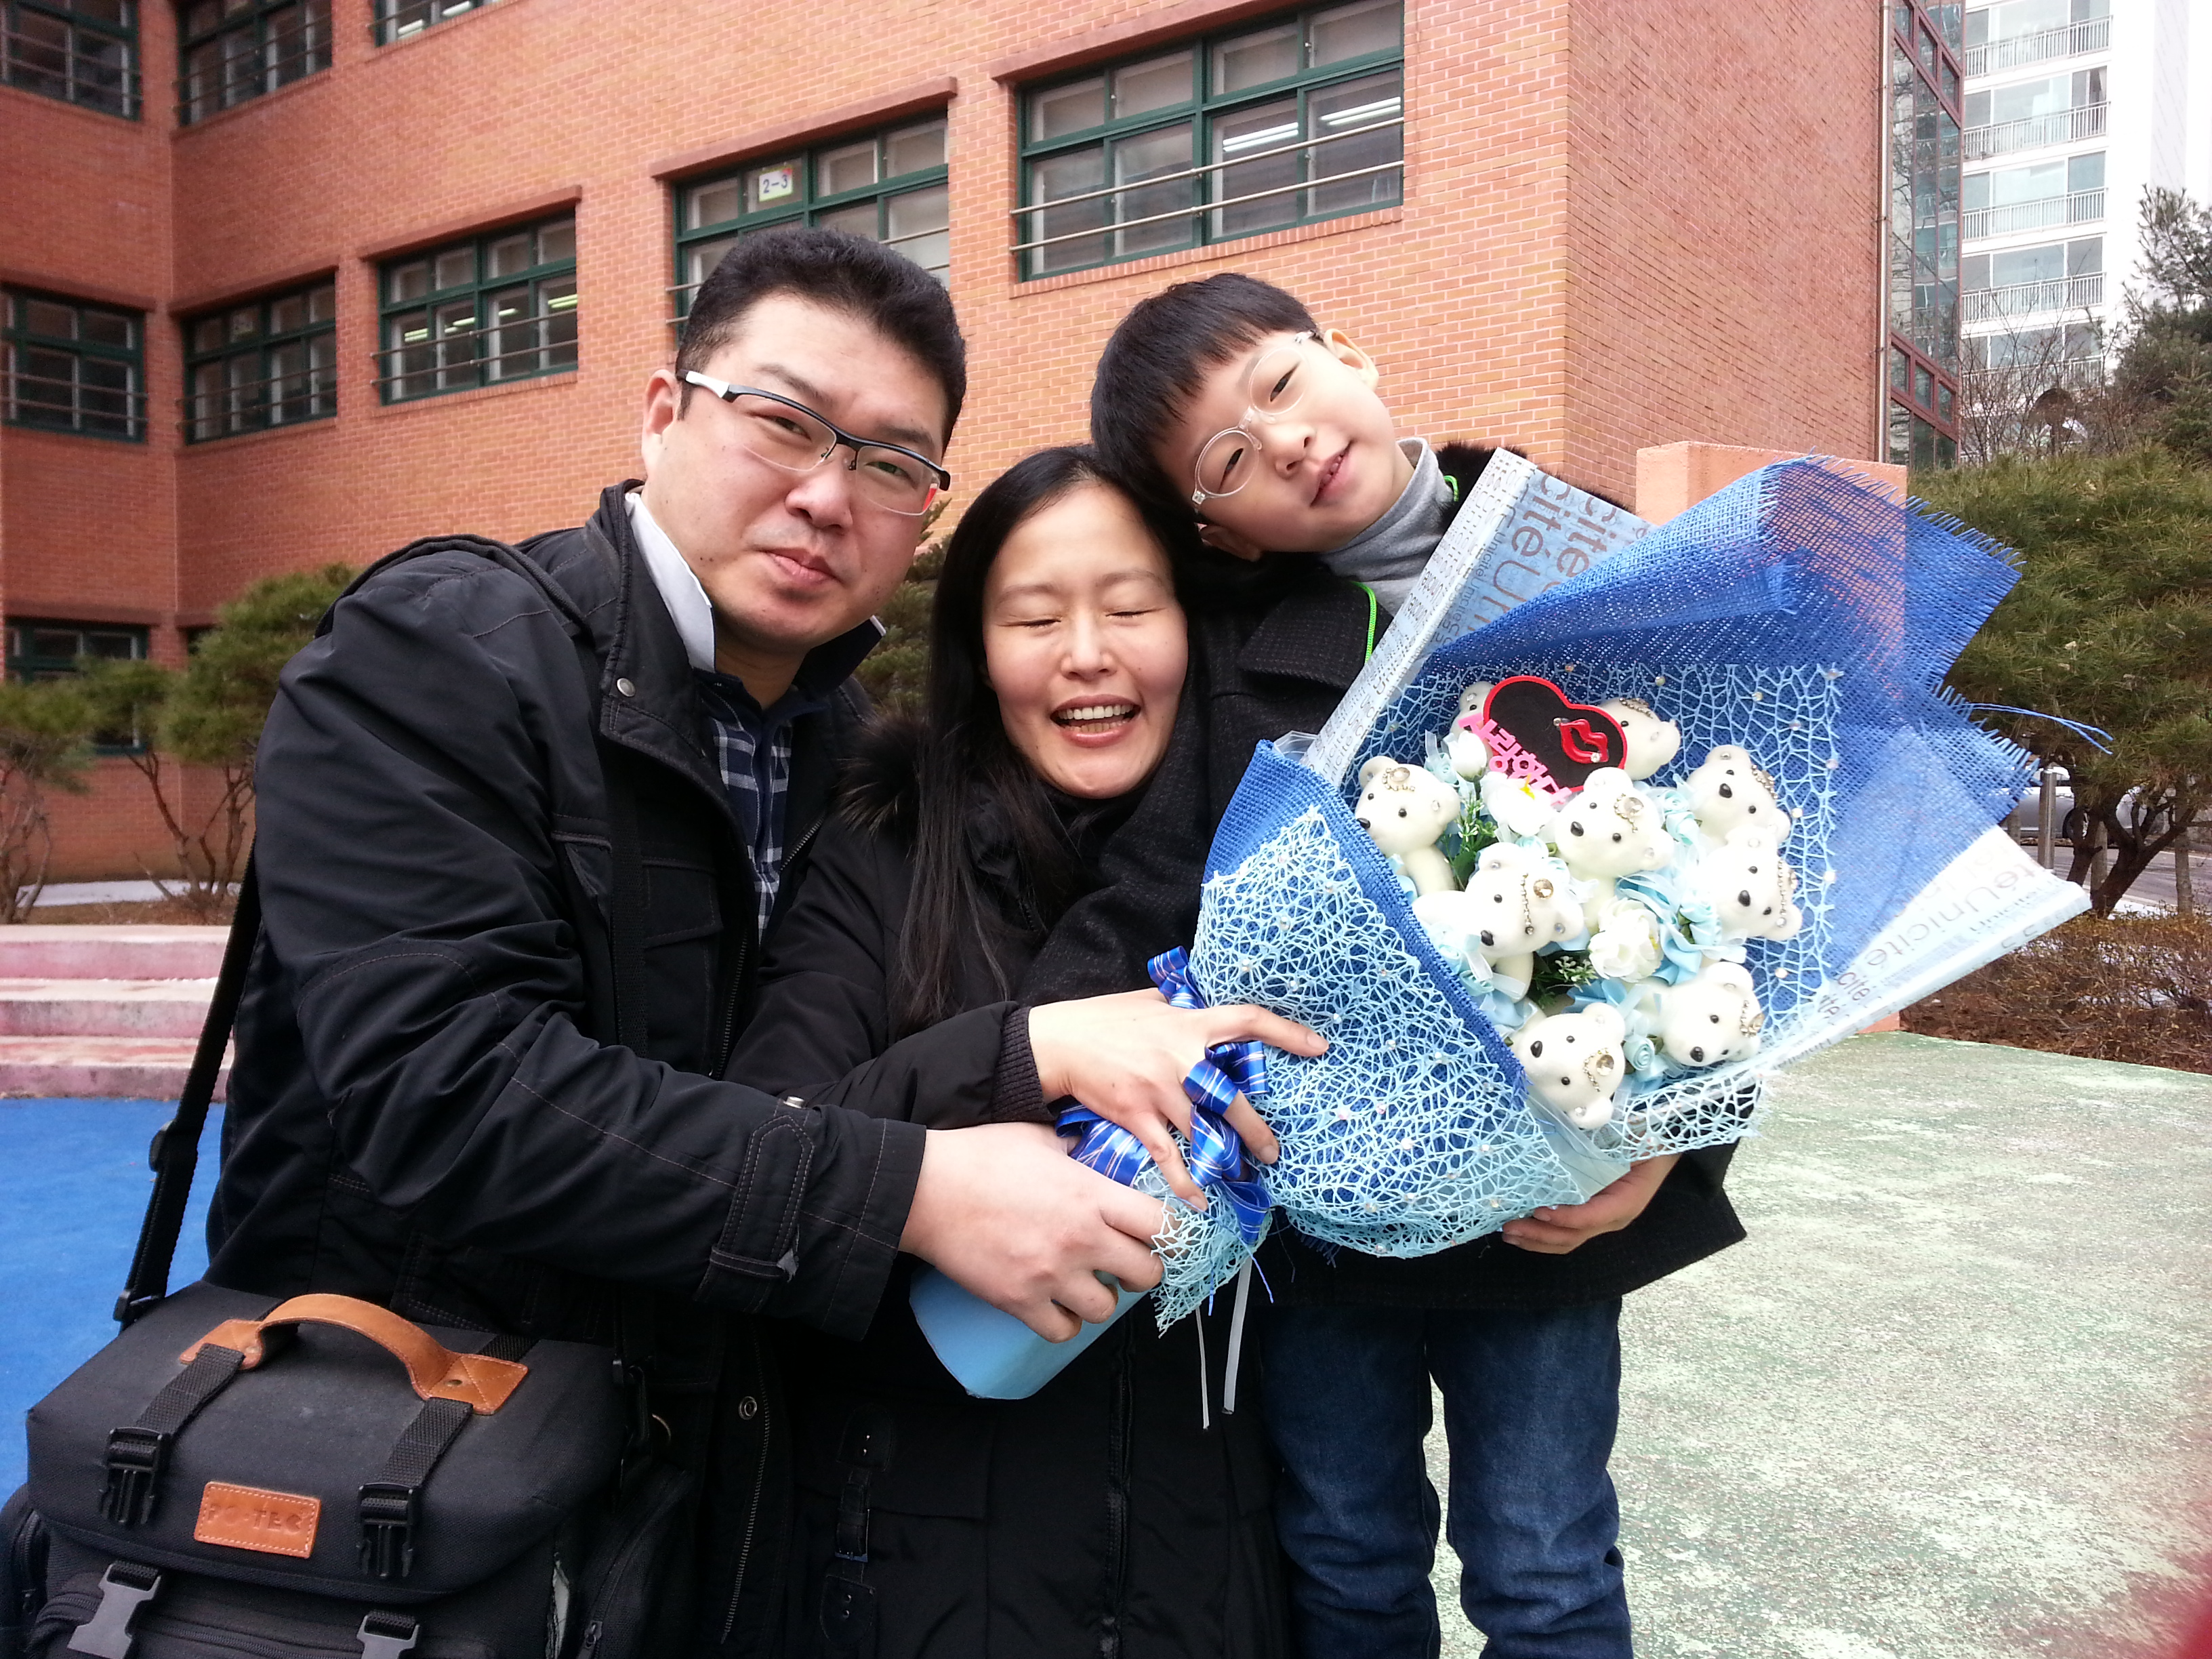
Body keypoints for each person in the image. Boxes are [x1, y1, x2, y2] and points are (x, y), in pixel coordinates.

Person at [203, 230, 1315, 1655]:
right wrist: (912, 1185)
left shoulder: (847, 753)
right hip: (420, 1487)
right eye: (784, 422)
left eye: (891, 462)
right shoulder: (444, 654)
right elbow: (447, 1092)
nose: (825, 494)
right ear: (663, 411)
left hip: (688, 1492)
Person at [1031, 272, 1748, 1656]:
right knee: (1346, 1554)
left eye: (1282, 384)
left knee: (1544, 1563)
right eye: (1227, 458)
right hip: (1324, 1211)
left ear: (1347, 353)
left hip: (1547, 1197)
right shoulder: (1231, 663)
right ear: (1217, 531)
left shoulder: (1590, 563)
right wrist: (1016, 1048)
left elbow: (1733, 891)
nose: (1287, 441)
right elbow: (1149, 892)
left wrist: (1672, 1141)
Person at [729, 446, 1291, 1659]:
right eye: (1034, 618)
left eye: (1131, 607)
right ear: (979, 653)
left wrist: (1627, 1166)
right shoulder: (887, 854)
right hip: (910, 1579)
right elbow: (759, 1139)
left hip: (1218, 1575)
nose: (1087, 653)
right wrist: (1027, 1052)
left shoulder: (1290, 874)